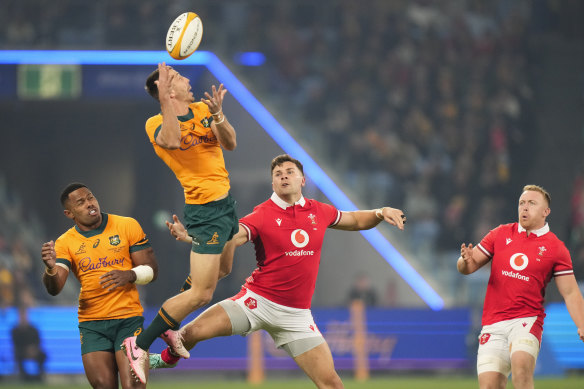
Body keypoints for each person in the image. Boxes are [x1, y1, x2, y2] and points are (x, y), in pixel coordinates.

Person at [144, 154, 406, 388]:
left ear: (302, 180)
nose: (283, 176)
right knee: (189, 334)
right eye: (278, 174)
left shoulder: (319, 211)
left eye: (290, 172)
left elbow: (356, 220)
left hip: (296, 317)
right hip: (256, 301)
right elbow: (229, 235)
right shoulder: (262, 214)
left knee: (332, 384)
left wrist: (381, 212)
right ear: (273, 184)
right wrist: (193, 237)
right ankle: (166, 360)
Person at [122, 62, 239, 383]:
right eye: (178, 77)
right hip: (205, 209)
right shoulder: (155, 123)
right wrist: (164, 100)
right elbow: (172, 141)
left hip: (225, 204)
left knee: (224, 269)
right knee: (202, 294)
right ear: (167, 90)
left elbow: (230, 143)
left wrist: (218, 115)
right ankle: (139, 344)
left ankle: (169, 327)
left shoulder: (203, 109)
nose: (188, 79)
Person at [457, 184, 584, 389]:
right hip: (493, 323)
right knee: (489, 386)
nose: (524, 207)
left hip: (527, 320)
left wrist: (582, 323)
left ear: (546, 212)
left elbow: (570, 292)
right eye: (521, 203)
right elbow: (467, 267)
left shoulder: (556, 248)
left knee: (521, 368)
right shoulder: (499, 234)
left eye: (531, 203)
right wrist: (464, 260)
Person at [40, 183, 160, 389]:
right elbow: (54, 288)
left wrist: (130, 274)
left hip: (128, 320)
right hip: (92, 324)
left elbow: (152, 270)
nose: (89, 203)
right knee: (103, 385)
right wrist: (50, 269)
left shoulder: (126, 225)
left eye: (90, 197)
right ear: (69, 213)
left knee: (133, 384)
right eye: (81, 202)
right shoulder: (65, 242)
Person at [11, 305, 46, 382]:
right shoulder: (15, 330)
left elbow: (38, 342)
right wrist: (26, 350)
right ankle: (23, 377)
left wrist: (33, 349)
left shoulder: (33, 329)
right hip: (21, 351)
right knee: (18, 355)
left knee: (42, 355)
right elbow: (15, 344)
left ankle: (40, 376)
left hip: (33, 351)